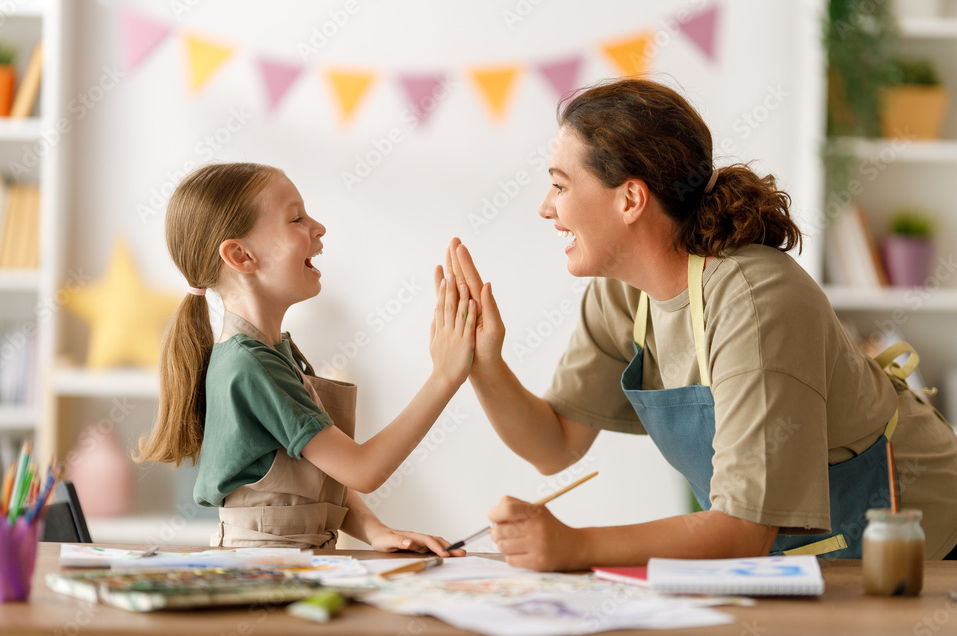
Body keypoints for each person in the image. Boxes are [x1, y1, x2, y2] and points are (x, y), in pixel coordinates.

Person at [445, 78, 957, 571]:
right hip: (789, 559)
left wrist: (573, 545)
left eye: (560, 185)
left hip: (928, 546)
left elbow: (743, 528)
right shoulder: (623, 294)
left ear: (630, 199)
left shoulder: (755, 300)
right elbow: (555, 445)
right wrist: (482, 364)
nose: (545, 208)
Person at [137, 162, 474, 555]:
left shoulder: (271, 354)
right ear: (241, 255)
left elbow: (319, 474)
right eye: (296, 218)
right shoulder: (251, 366)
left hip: (294, 562)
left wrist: (376, 530)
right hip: (261, 571)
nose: (319, 228)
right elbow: (361, 469)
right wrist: (445, 376)